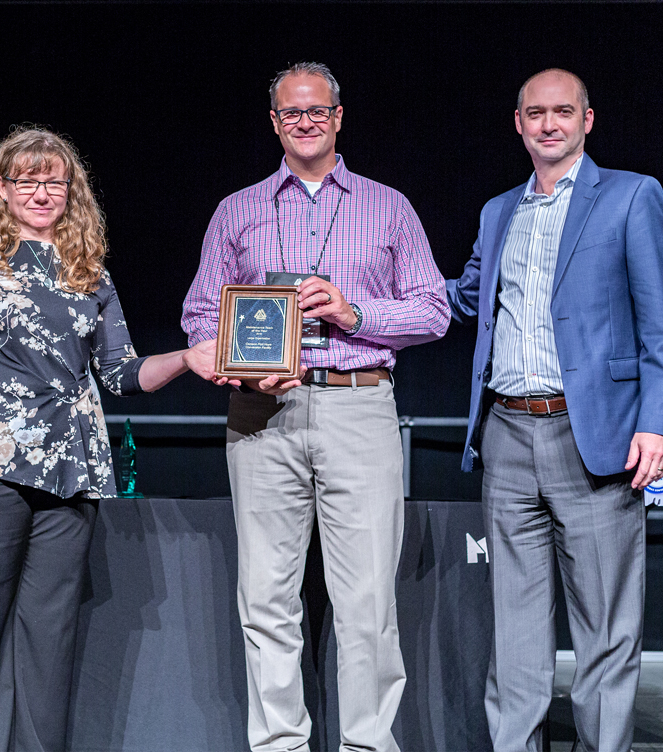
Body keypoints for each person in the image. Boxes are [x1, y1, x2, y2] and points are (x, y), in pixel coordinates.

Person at [0, 126, 219, 752]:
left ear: (71, 191)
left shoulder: (90, 273)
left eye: (53, 180)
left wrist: (189, 359)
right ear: (0, 190)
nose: (40, 191)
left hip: (71, 472)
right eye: (25, 180)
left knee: (51, 637)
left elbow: (122, 372)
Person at [182, 62, 449, 752]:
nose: (305, 122)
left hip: (357, 407)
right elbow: (201, 315)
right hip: (260, 415)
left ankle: (367, 744)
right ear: (274, 122)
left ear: (339, 117)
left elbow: (432, 311)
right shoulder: (236, 210)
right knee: (266, 598)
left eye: (317, 110)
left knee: (366, 603)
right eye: (291, 112)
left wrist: (354, 311)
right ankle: (278, 745)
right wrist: (232, 368)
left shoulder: (388, 207)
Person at [447, 69, 663, 752]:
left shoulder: (632, 196)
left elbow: (661, 325)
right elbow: (465, 300)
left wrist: (659, 423)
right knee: (514, 629)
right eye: (535, 113)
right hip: (507, 433)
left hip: (597, 435)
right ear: (517, 123)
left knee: (605, 628)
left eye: (562, 112)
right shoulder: (500, 211)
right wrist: (370, 302)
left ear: (587, 120)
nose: (548, 124)